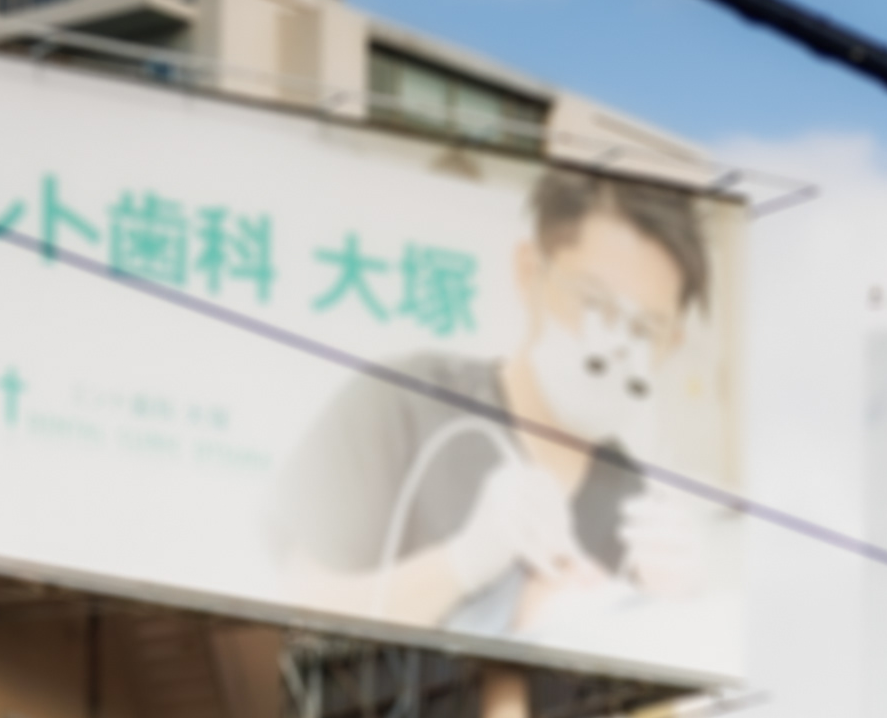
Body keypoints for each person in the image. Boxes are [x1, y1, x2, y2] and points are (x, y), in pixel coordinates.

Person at [273, 167, 719, 649]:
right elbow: (294, 613)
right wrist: (460, 565)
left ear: (671, 343)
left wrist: (674, 616)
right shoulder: (402, 403)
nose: (614, 347)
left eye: (645, 329)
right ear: (530, 271)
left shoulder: (629, 500)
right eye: (593, 303)